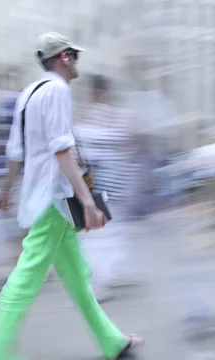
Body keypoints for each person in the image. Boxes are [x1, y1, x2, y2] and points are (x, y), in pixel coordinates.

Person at [0, 32, 143, 360]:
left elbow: (15, 150)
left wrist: (6, 191)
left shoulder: (28, 93)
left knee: (77, 275)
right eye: (74, 55)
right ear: (64, 57)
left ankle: (111, 341)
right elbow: (62, 150)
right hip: (55, 199)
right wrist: (87, 201)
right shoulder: (59, 92)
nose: (77, 61)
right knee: (27, 275)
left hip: (41, 197)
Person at [75, 74, 145, 292]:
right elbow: (133, 146)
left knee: (95, 234)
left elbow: (78, 154)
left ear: (96, 92)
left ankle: (98, 282)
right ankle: (120, 271)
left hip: (96, 184)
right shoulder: (122, 117)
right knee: (115, 230)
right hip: (120, 183)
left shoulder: (88, 119)